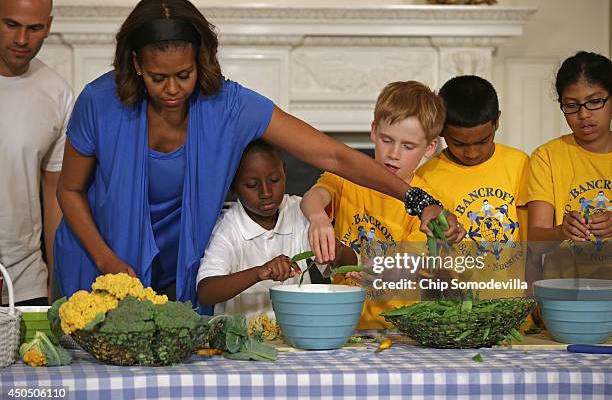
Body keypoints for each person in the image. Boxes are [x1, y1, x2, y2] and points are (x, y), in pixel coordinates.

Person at [53, 0, 456, 313]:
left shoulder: (230, 105)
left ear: (200, 61)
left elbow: (333, 155)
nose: (172, 89)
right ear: (136, 63)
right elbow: (69, 189)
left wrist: (419, 200)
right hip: (100, 256)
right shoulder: (100, 101)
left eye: (184, 75)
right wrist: (106, 258)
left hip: (185, 261)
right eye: (158, 78)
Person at [300, 81, 466, 330]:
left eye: (408, 146)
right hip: (341, 321)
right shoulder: (348, 176)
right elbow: (314, 196)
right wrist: (318, 217)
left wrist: (378, 270)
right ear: (374, 131)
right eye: (387, 140)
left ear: (430, 147)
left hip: (398, 328)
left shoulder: (428, 205)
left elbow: (412, 265)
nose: (394, 154)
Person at [196, 140, 356, 319]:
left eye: (274, 180)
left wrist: (337, 251)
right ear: (232, 185)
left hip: (295, 336)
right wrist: (259, 272)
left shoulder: (299, 211)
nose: (266, 192)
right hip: (243, 340)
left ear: (285, 172)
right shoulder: (228, 228)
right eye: (251, 185)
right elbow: (206, 292)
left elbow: (350, 264)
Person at [415, 75, 530, 299]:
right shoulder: (425, 178)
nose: (472, 153)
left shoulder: (520, 164)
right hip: (458, 311)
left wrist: (533, 299)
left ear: (497, 121)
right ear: (440, 129)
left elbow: (533, 246)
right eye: (459, 143)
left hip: (516, 306)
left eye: (482, 141)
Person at [0, 0, 73, 306]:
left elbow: (55, 192)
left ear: (49, 27)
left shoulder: (57, 92)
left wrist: (55, 284)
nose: (21, 40)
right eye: (11, 24)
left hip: (27, 283)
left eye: (34, 28)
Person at [527, 51, 611, 279]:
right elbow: (535, 243)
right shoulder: (547, 157)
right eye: (572, 105)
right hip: (566, 296)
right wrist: (561, 231)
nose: (583, 114)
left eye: (594, 102)